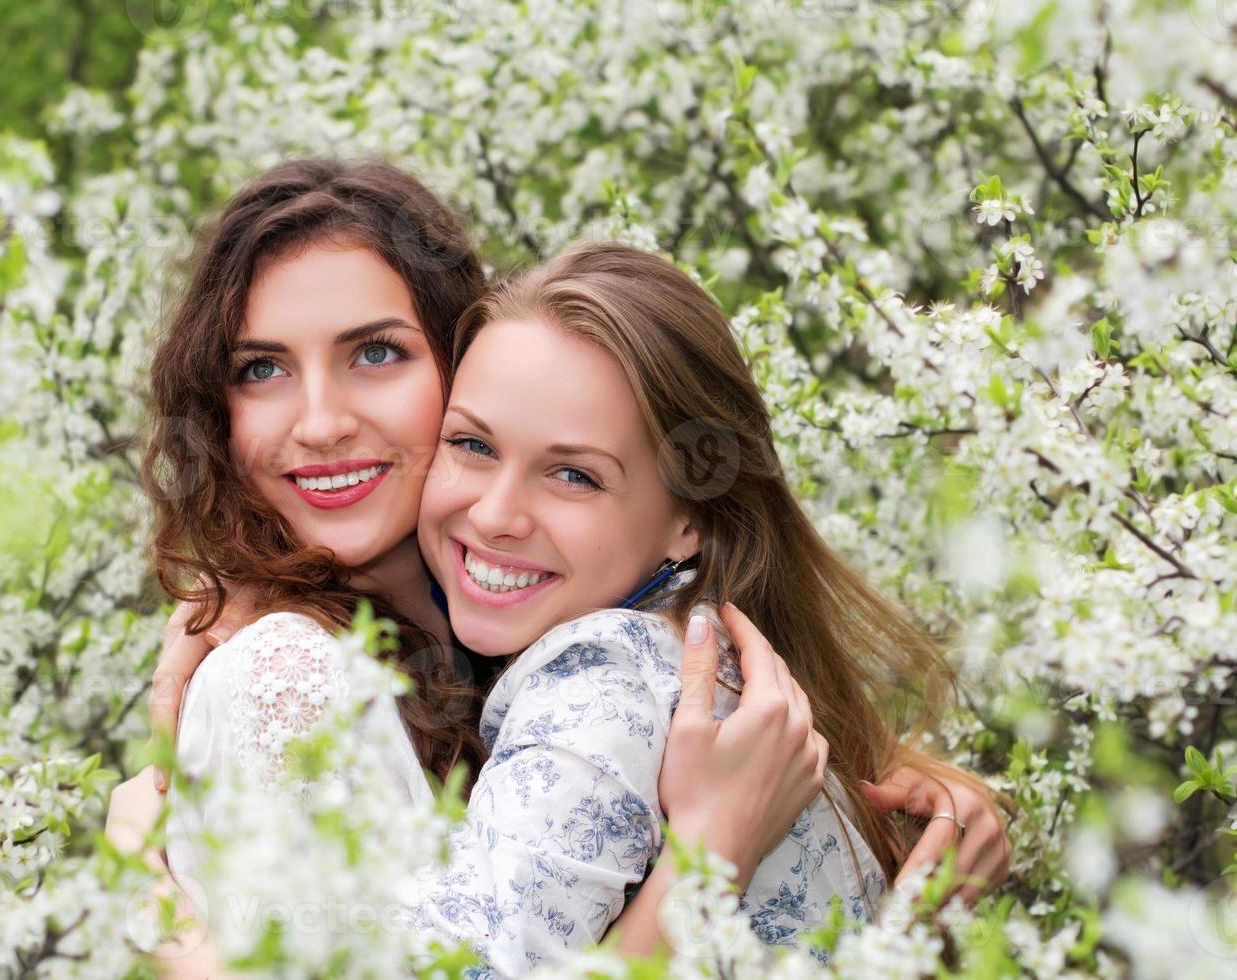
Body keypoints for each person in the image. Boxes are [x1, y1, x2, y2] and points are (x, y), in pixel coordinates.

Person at [105, 159, 1012, 974]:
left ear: (460, 366)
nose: (319, 422)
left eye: (375, 352)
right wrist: (709, 862)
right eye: (259, 369)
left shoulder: (560, 662)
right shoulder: (288, 674)